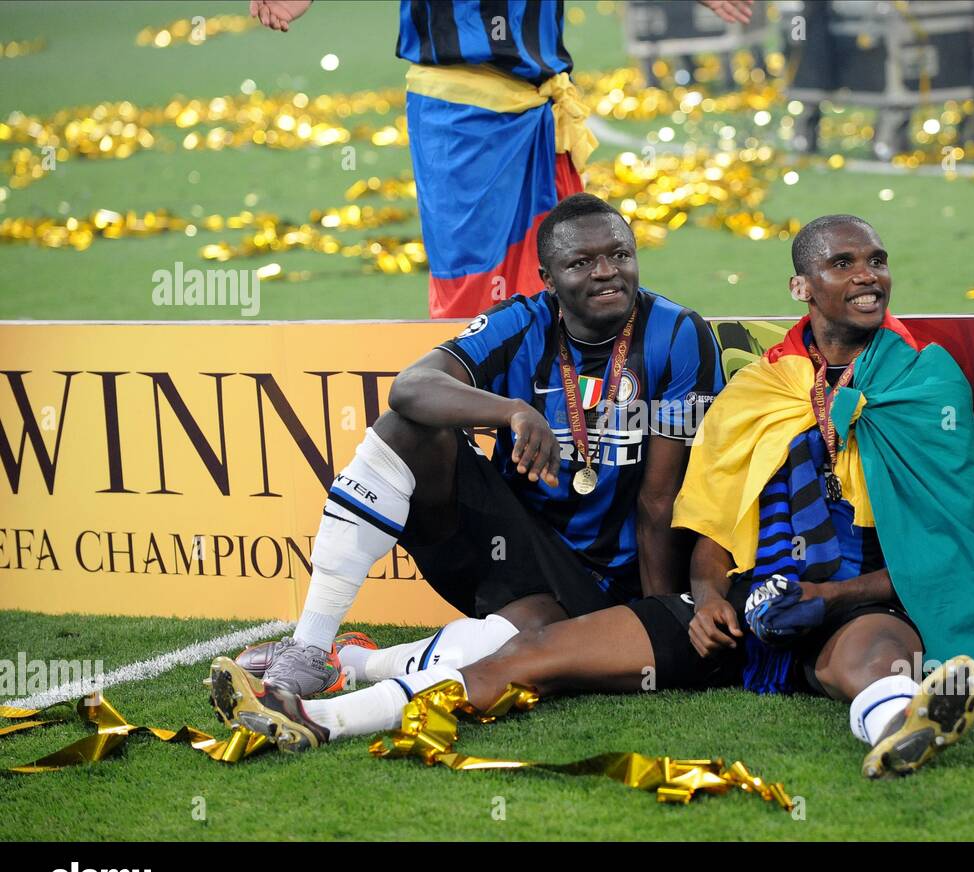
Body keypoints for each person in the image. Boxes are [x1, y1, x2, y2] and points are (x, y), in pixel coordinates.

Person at [210, 214, 974, 779]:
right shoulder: (764, 386)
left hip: (831, 602)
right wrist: (698, 599)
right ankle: (319, 692)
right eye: (844, 264)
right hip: (601, 581)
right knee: (520, 648)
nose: (867, 277)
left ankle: (902, 719)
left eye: (877, 262)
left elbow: (940, 546)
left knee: (870, 657)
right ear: (802, 284)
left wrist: (810, 596)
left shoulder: (920, 380)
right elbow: (713, 516)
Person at [234, 193, 724, 698]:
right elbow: (410, 387)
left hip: (608, 579)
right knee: (407, 427)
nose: (607, 272)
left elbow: (658, 499)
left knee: (514, 646)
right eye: (582, 262)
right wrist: (510, 410)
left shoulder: (678, 334)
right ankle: (311, 645)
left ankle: (353, 664)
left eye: (620, 255)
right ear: (548, 279)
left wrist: (657, 619)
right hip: (515, 547)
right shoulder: (521, 321)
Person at [247, 0, 754, 316]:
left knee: (568, 286)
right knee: (472, 297)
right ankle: (469, 447)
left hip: (540, 107)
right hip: (460, 110)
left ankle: (562, 432)